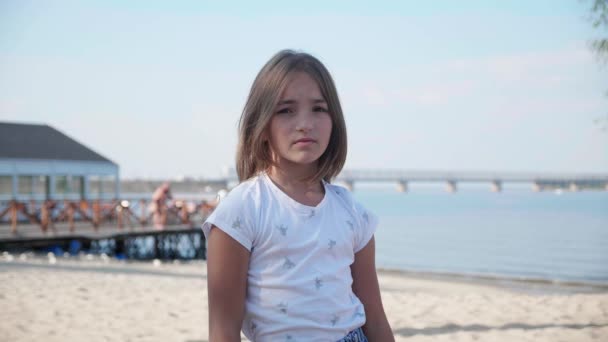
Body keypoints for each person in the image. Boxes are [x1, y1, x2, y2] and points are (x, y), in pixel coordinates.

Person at [202, 50, 394, 341]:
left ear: (334, 121)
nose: (305, 123)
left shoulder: (353, 213)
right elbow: (223, 330)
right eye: (286, 110)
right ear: (261, 125)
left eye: (319, 109)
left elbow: (376, 320)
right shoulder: (241, 211)